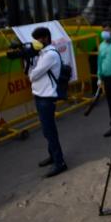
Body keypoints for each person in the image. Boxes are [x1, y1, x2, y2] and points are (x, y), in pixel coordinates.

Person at [30, 27, 68, 178]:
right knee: (46, 131)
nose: (35, 43)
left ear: (45, 38)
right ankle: (52, 156)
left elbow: (33, 75)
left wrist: (30, 63)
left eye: (37, 39)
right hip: (40, 96)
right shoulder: (43, 53)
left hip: (46, 98)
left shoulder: (49, 55)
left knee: (50, 131)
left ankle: (59, 163)